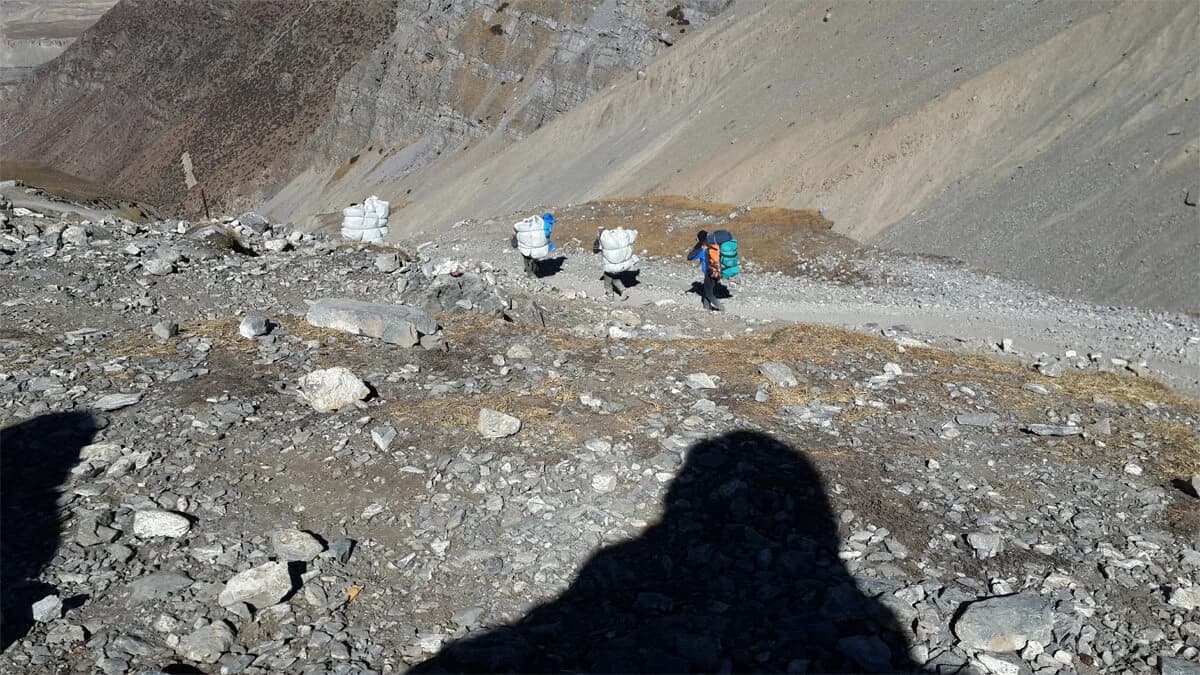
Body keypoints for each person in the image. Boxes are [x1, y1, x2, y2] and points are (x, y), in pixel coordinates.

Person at [594, 225, 638, 301]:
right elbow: (632, 235)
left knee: (607, 281)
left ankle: (610, 296)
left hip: (612, 267)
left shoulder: (605, 241)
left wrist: (599, 238)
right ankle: (623, 291)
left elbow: (596, 250)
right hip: (621, 265)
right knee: (614, 278)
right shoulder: (619, 239)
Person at [687, 229, 722, 311]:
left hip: (709, 273)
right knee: (707, 291)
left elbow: (690, 257)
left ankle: (721, 309)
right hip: (717, 272)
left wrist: (698, 247)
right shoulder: (715, 246)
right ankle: (707, 308)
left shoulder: (703, 251)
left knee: (709, 293)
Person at [513, 213, 556, 278]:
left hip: (525, 246)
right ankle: (532, 271)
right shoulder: (545, 225)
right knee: (533, 258)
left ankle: (530, 272)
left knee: (526, 258)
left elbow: (516, 227)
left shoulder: (531, 225)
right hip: (535, 246)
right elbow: (546, 235)